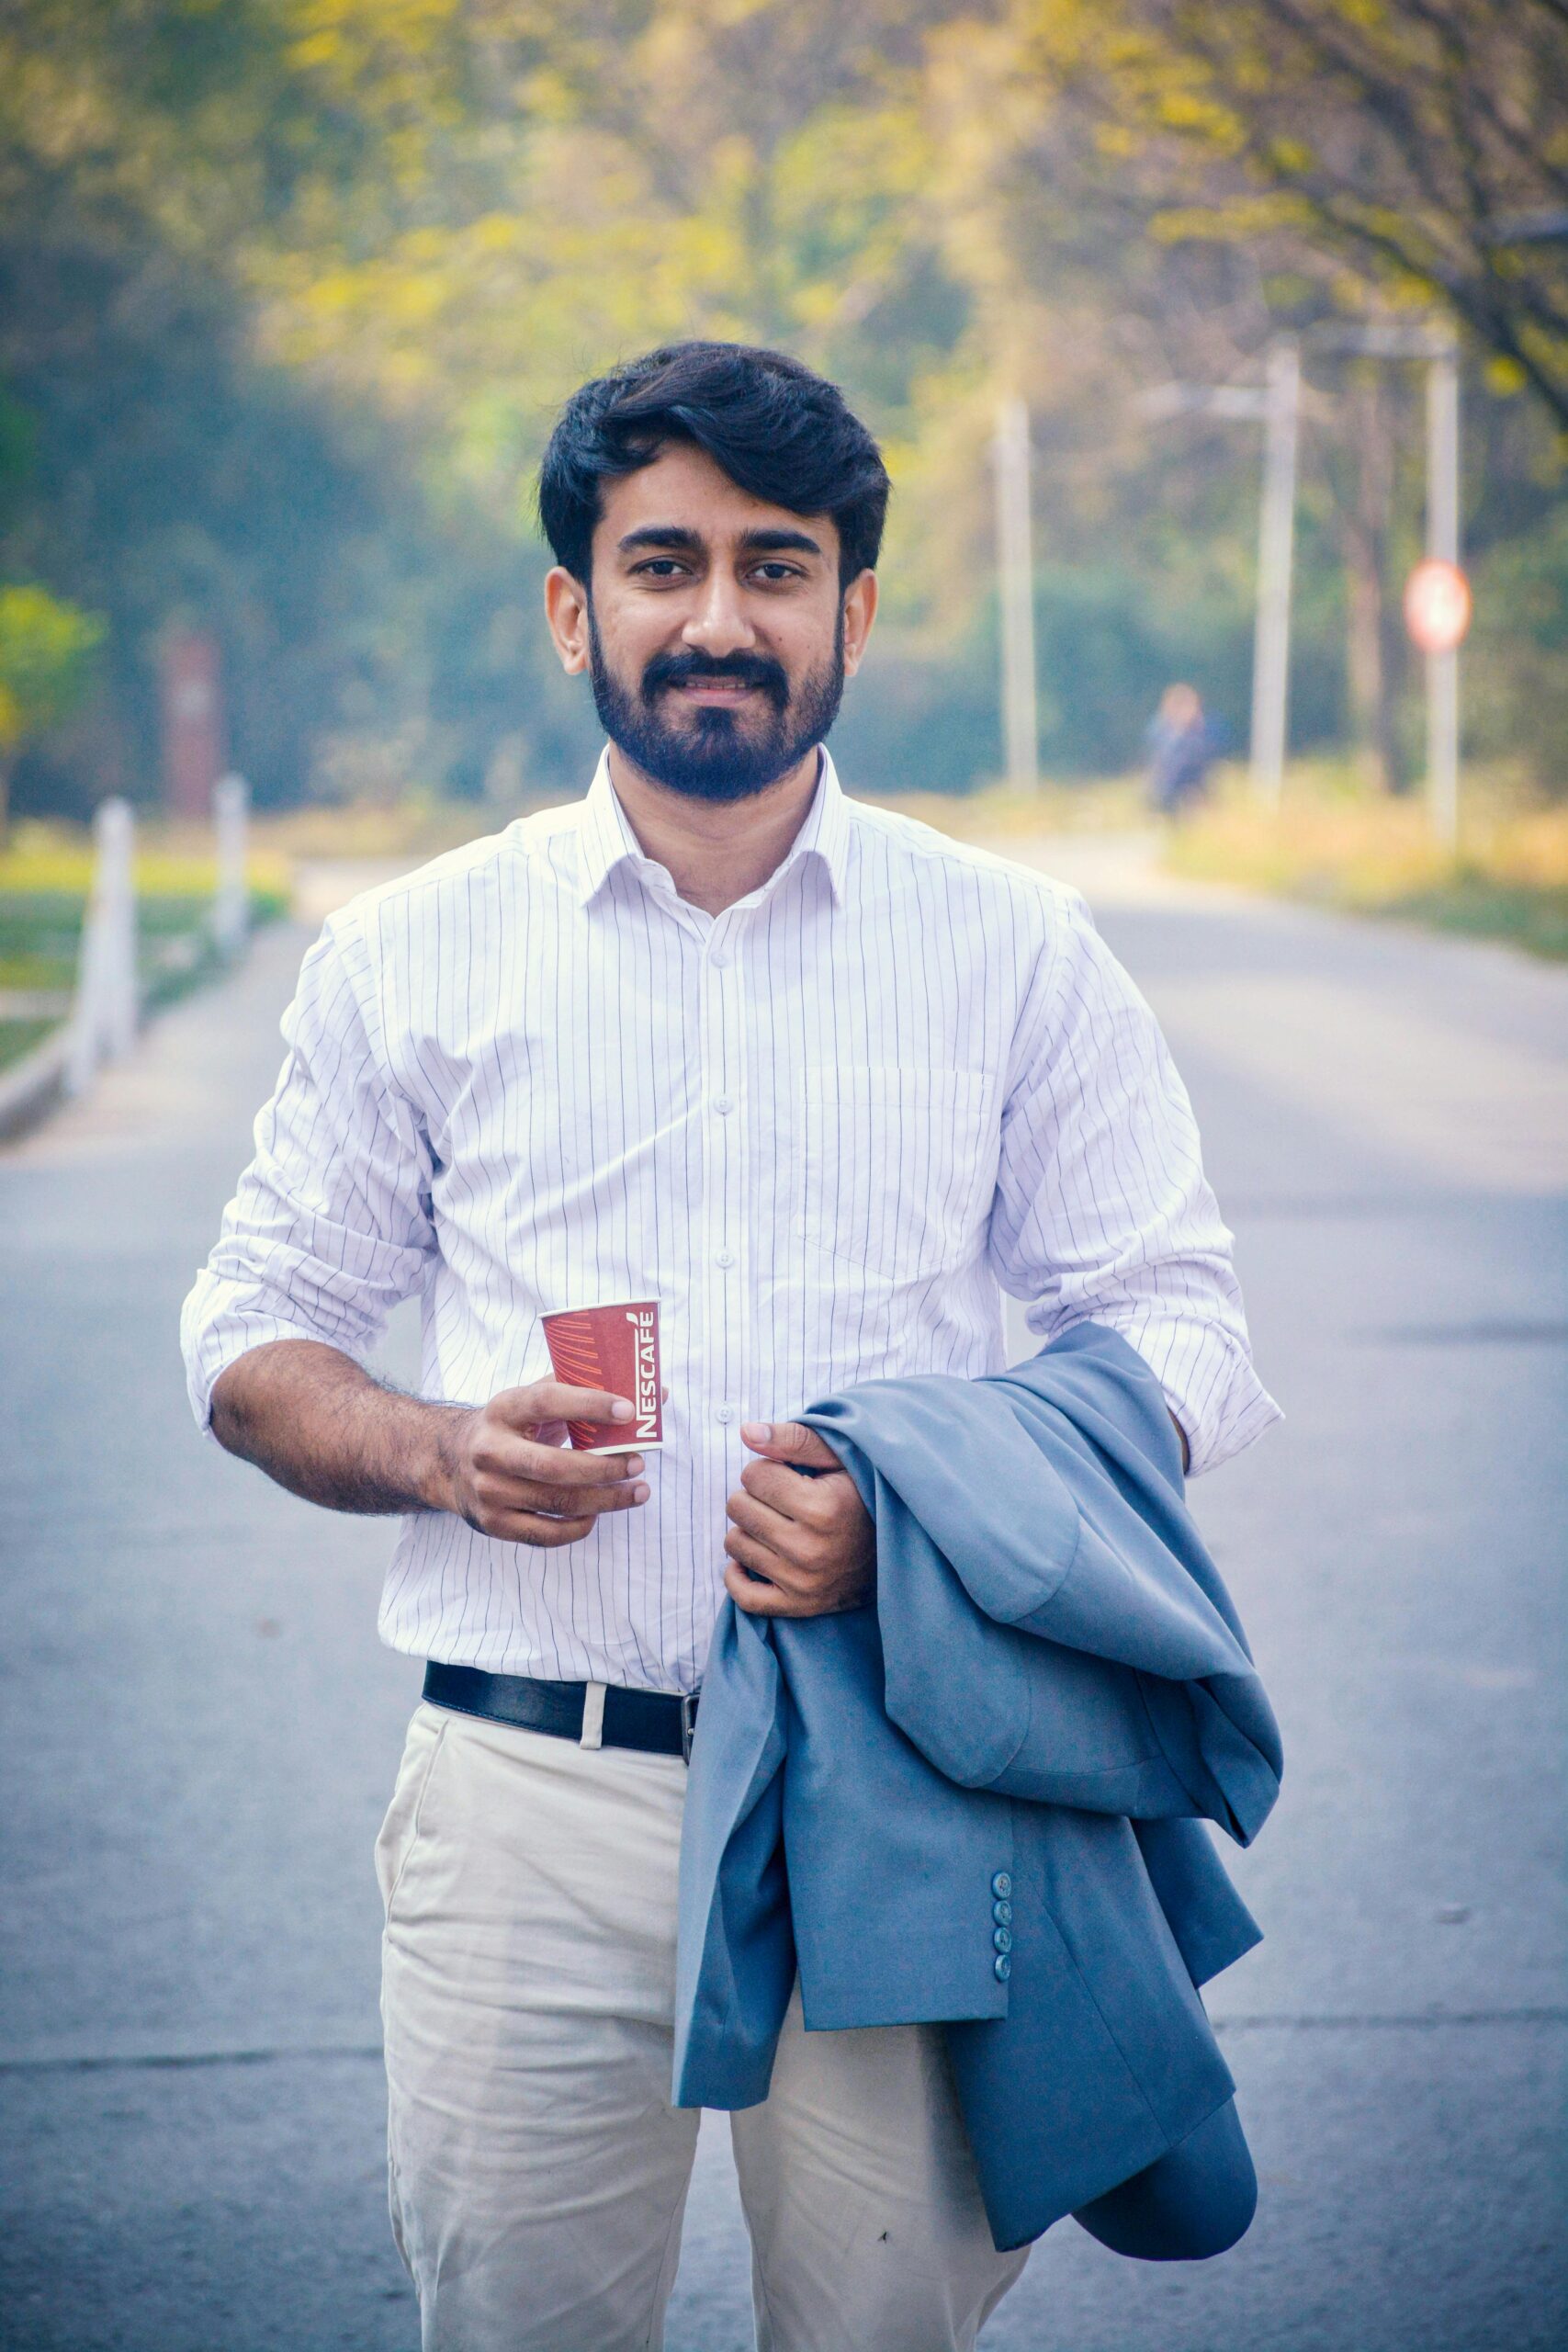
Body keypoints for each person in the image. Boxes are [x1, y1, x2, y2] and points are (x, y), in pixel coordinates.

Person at [181, 341, 1280, 2352]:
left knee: (879, 2333)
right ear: (570, 607)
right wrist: (440, 1450)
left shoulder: (1011, 948)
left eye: (775, 567)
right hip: (530, 1791)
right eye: (661, 559)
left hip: (899, 1781)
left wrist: (919, 1512)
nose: (715, 617)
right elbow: (254, 1330)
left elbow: (1177, 1328)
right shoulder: (416, 947)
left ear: (850, 611)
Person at [1145, 681, 1218, 815]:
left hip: (1193, 779)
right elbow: (1160, 751)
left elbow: (1206, 753)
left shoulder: (1202, 729)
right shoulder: (1161, 727)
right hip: (1168, 782)